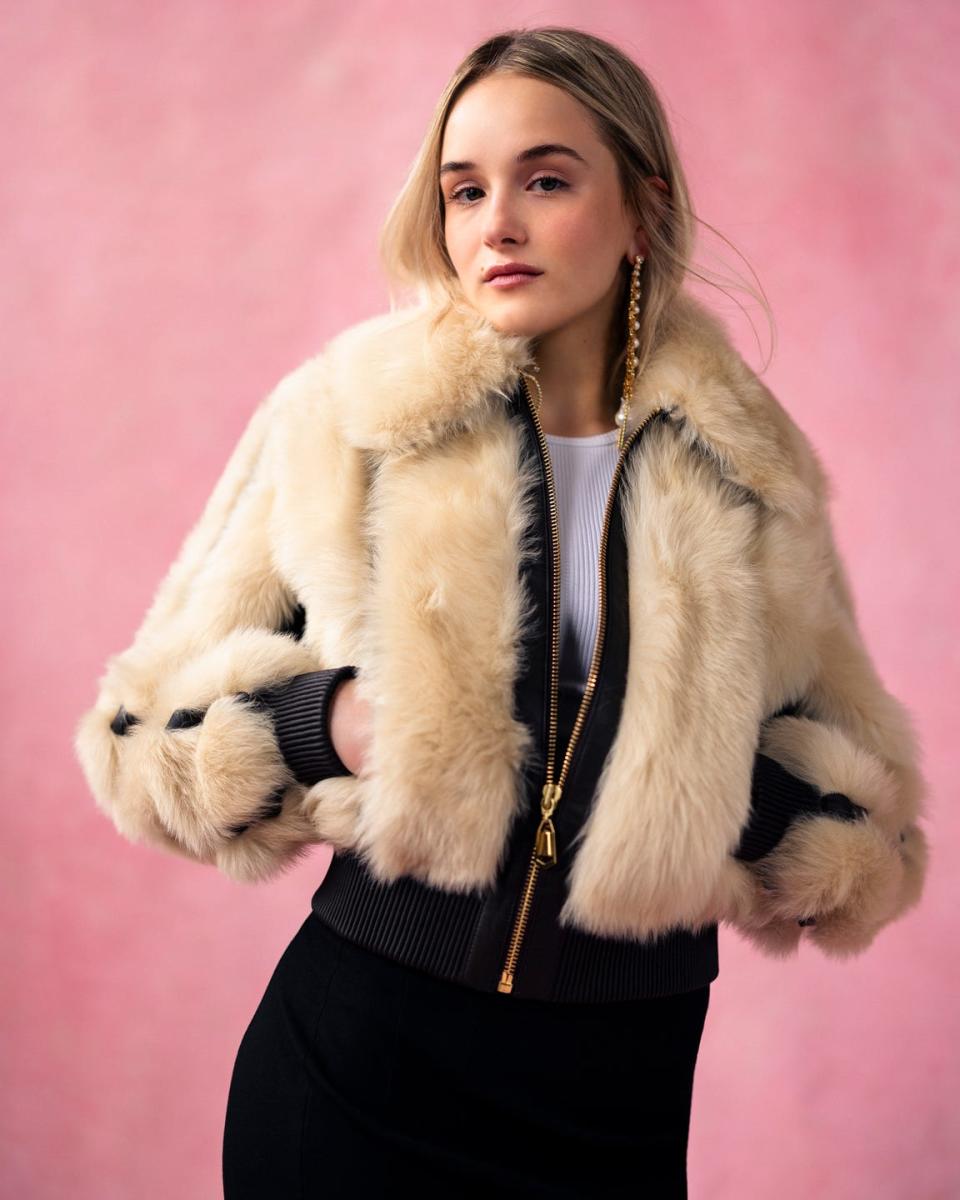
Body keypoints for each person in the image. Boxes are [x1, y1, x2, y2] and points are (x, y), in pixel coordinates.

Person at [73, 25, 930, 1200]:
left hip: (615, 1099)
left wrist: (717, 792)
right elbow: (138, 740)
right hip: (356, 1069)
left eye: (545, 178)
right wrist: (330, 726)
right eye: (464, 189)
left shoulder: (746, 468)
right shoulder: (352, 419)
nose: (496, 224)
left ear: (641, 207)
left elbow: (868, 835)